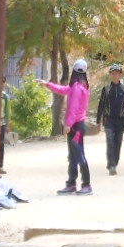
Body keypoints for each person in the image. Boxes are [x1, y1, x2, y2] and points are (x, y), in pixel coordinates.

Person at [40, 60, 92, 195]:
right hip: (78, 125)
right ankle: (71, 184)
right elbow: (63, 90)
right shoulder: (81, 86)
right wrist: (48, 85)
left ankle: (86, 185)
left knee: (79, 155)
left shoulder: (77, 87)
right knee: (73, 156)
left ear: (74, 71)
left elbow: (73, 108)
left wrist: (68, 124)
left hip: (76, 126)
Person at [96, 63, 124, 175]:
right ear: (110, 75)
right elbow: (101, 105)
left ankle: (114, 162)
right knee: (110, 141)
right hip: (109, 120)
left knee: (118, 143)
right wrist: (98, 121)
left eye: (117, 73)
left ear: (120, 74)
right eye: (113, 73)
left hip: (121, 120)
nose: (115, 75)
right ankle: (112, 165)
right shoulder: (106, 89)